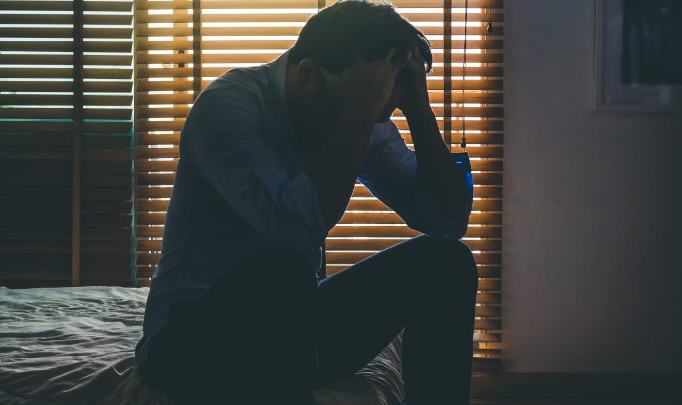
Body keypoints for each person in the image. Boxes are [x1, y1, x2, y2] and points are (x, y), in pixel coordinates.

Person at [135, 1, 478, 404]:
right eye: (358, 105)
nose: (367, 120)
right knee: (283, 270)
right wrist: (361, 109)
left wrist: (418, 110)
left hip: (289, 332)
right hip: (190, 343)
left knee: (447, 263)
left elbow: (446, 220)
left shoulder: (364, 119)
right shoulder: (228, 108)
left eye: (378, 111)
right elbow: (296, 231)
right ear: (308, 72)